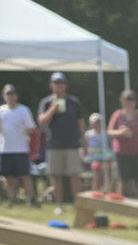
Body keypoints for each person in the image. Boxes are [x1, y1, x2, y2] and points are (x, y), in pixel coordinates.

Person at [37, 72, 87, 212]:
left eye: (61, 83)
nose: (59, 86)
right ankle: (59, 205)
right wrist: (52, 109)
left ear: (66, 85)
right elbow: (41, 122)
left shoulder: (74, 102)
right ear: (51, 85)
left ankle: (79, 205)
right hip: (54, 144)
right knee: (56, 176)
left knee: (75, 175)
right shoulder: (46, 102)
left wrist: (84, 143)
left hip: (72, 144)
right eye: (56, 83)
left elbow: (81, 124)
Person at [0, 84, 37, 206]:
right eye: (8, 94)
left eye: (12, 93)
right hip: (5, 149)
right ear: (4, 96)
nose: (10, 96)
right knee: (8, 176)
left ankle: (31, 199)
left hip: (21, 148)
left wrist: (23, 130)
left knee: (25, 175)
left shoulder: (23, 110)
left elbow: (31, 128)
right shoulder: (1, 110)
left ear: (16, 96)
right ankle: (12, 199)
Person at [108, 90, 138, 197]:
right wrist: (121, 132)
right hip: (122, 152)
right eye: (127, 100)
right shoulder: (117, 115)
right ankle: (121, 201)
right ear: (122, 101)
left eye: (132, 100)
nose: (129, 103)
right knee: (123, 179)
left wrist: (134, 133)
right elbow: (110, 132)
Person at [85, 113, 114, 191]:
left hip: (106, 159)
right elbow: (85, 148)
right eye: (94, 122)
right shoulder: (88, 134)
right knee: (97, 170)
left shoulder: (107, 134)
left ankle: (108, 190)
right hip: (93, 159)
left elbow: (111, 147)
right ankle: (96, 191)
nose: (96, 124)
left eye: (98, 122)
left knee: (109, 169)